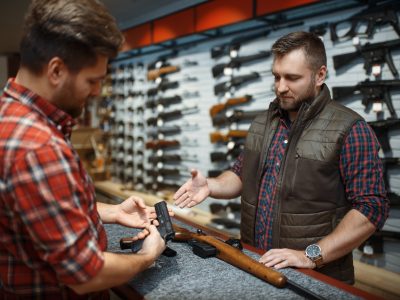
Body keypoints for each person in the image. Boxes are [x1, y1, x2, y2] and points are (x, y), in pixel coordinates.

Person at [174, 31, 389, 284]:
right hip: (255, 264)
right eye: (276, 76)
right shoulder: (262, 122)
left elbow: (371, 208)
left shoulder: (350, 128)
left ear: (320, 75)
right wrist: (211, 185)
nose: (280, 87)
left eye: (292, 78)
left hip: (315, 276)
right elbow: (242, 175)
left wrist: (311, 255)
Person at [0, 0, 168, 298]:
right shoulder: (39, 148)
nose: (96, 92)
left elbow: (39, 211)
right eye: (92, 81)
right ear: (56, 70)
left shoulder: (11, 117)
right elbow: (86, 275)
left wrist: (112, 211)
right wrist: (146, 257)